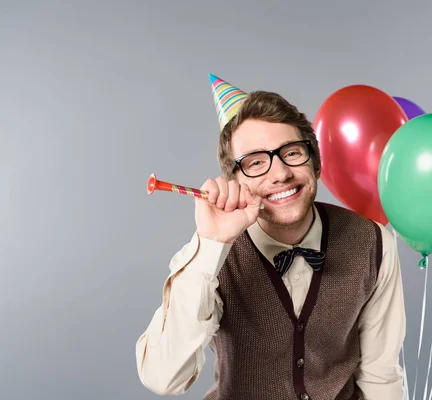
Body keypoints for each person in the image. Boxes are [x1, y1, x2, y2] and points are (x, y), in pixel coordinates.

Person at [135, 74, 407, 400]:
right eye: (256, 163)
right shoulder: (212, 254)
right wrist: (210, 245)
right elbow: (163, 378)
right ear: (234, 181)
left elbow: (381, 377)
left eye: (291, 153)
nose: (279, 174)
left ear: (315, 161)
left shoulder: (373, 243)